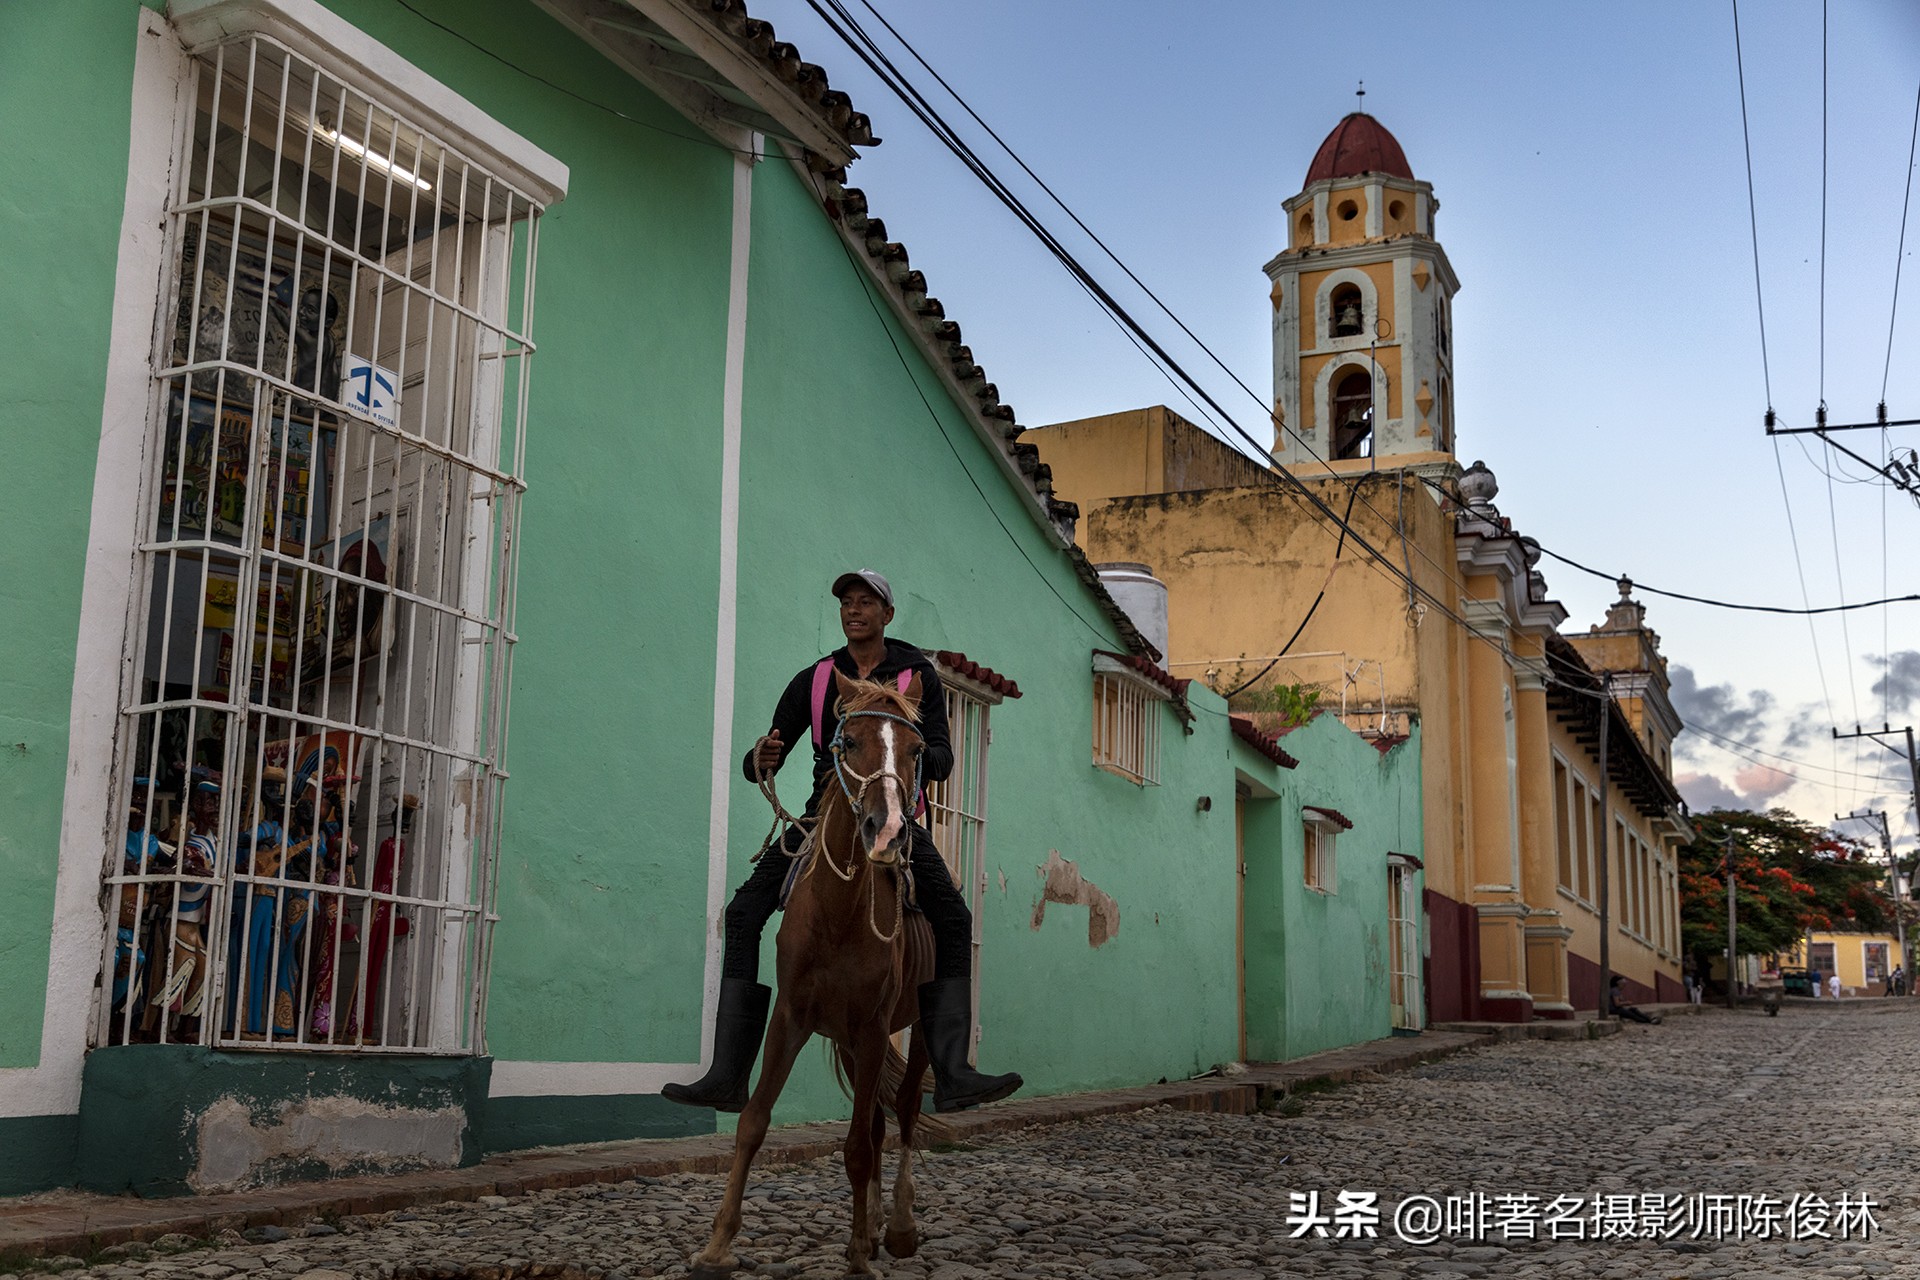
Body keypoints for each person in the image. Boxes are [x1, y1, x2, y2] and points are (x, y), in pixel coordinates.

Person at [665, 570, 1022, 1114]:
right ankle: (727, 1075)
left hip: (894, 814)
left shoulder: (915, 674)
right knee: (742, 914)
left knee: (954, 917)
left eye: (867, 603)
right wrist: (755, 758)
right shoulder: (815, 679)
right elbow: (770, 752)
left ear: (887, 615)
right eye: (847, 603)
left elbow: (943, 758)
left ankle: (953, 1071)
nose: (855, 611)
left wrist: (913, 752)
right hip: (822, 818)